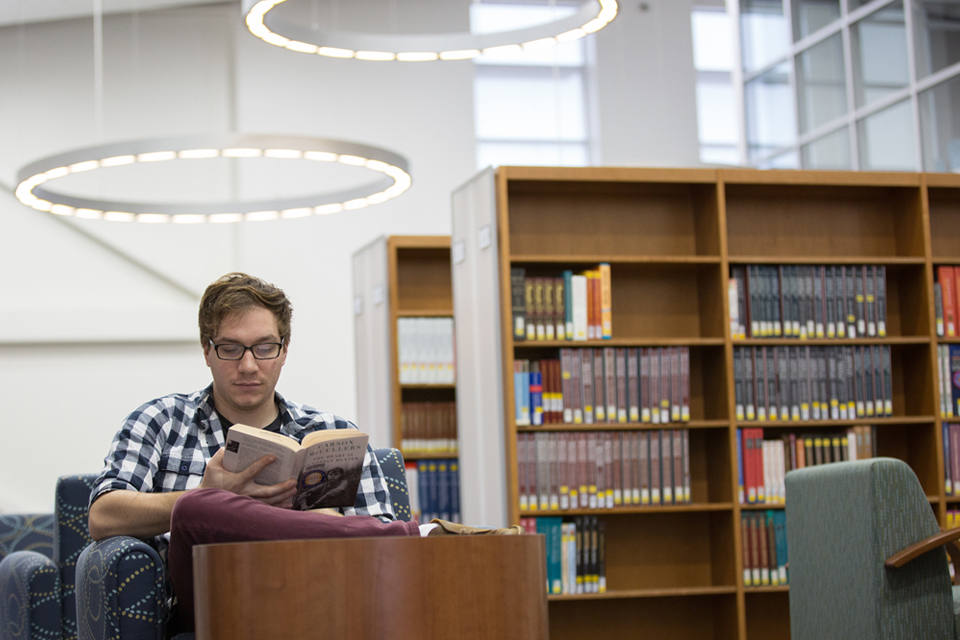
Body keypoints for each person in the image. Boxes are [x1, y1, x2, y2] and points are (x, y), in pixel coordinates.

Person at [88, 272, 519, 634]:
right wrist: (198, 496)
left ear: (284, 350)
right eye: (230, 348)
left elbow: (388, 561)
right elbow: (102, 515)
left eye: (264, 347)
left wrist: (324, 523)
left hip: (318, 601)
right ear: (207, 350)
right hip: (210, 604)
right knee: (196, 509)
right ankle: (423, 534)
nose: (249, 365)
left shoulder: (332, 434)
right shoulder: (160, 420)